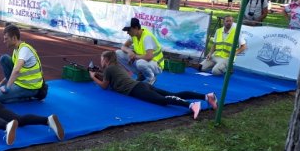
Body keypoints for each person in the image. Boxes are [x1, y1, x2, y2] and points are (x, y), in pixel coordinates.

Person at [90, 51, 218, 119]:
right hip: (141, 85)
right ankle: (207, 97)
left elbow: (104, 86)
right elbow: (121, 78)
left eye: (101, 59)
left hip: (136, 89)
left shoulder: (108, 69)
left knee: (161, 100)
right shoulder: (116, 67)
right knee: (173, 94)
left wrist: (93, 76)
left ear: (106, 60)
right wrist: (99, 75)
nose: (100, 61)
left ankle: (191, 105)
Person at [0, 24, 47, 103]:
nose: (4, 41)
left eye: (6, 39)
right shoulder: (16, 50)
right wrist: (0, 84)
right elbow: (14, 69)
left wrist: (7, 87)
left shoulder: (24, 49)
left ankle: (28, 96)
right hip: (21, 83)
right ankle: (14, 90)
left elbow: (16, 70)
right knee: (4, 59)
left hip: (30, 87)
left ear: (14, 38)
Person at [116, 18, 164, 85]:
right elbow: (123, 47)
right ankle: (141, 75)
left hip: (156, 65)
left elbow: (149, 56)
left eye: (129, 30)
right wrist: (129, 51)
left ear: (135, 28)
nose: (127, 33)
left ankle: (151, 78)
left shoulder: (147, 37)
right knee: (118, 53)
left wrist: (134, 56)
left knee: (140, 63)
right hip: (143, 61)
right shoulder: (134, 35)